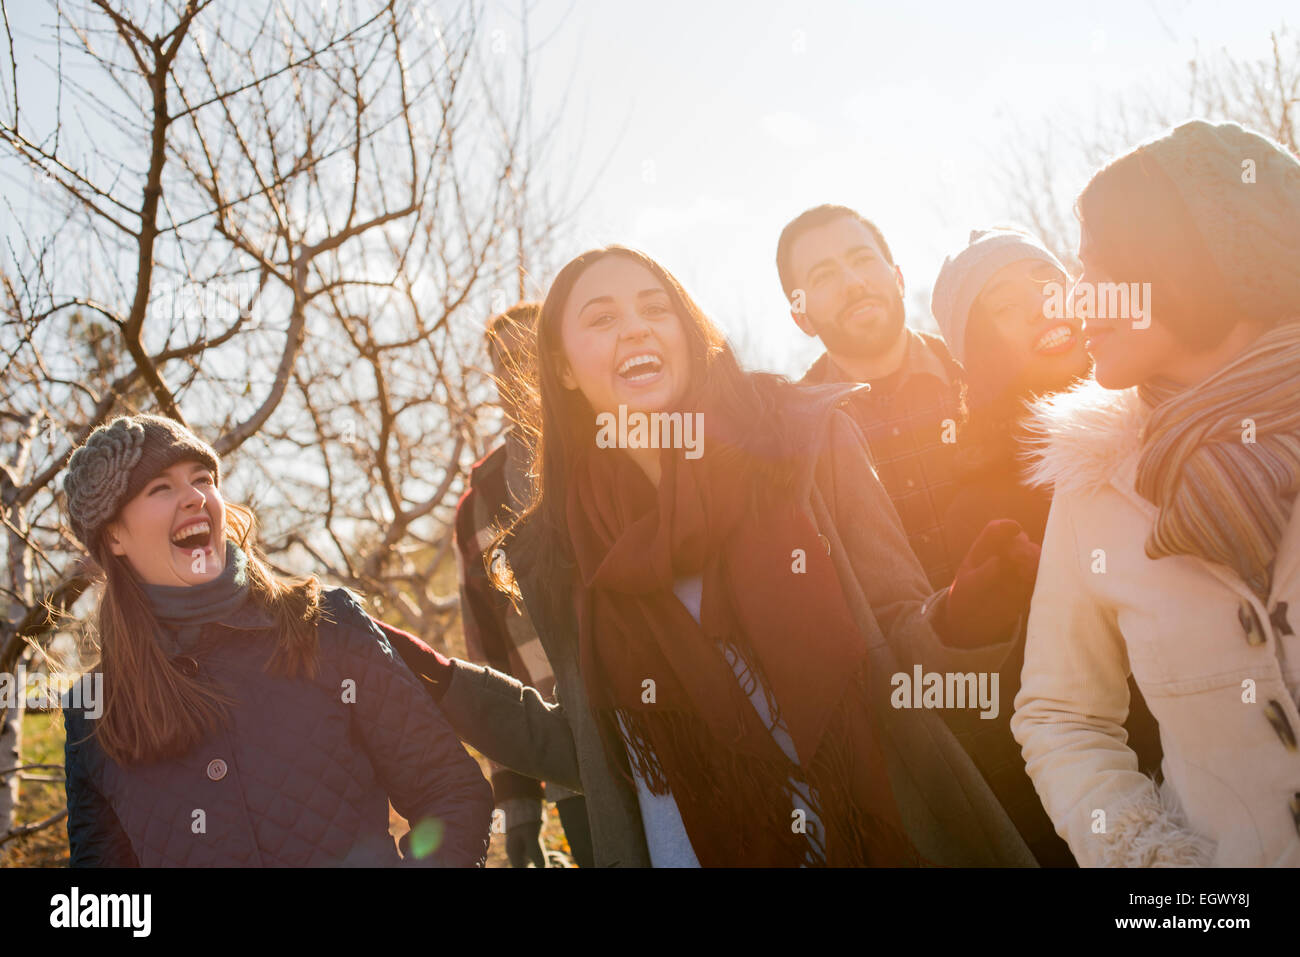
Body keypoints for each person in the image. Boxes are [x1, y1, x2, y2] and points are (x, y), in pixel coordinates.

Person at [377, 244, 1037, 867]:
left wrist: (962, 617)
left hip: (892, 836)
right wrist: (435, 679)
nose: (636, 328)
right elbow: (597, 753)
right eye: (602, 318)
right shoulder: (557, 551)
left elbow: (898, 647)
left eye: (655, 307)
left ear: (689, 334)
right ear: (565, 372)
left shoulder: (808, 441)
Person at [1011, 119, 1300, 867]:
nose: (1073, 305)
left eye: (1096, 270)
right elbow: (1060, 716)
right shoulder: (1092, 483)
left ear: (1185, 267)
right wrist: (1151, 865)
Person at [60, 414, 493, 867]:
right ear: (113, 536)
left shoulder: (325, 625)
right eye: (160, 488)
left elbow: (449, 791)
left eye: (203, 479)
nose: (194, 497)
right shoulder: (94, 713)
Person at [931, 226, 1166, 867]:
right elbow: (1039, 722)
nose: (1042, 307)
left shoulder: (1172, 405)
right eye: (1006, 305)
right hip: (1145, 805)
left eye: (1046, 283)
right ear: (976, 350)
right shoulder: (976, 506)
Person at [454, 300, 594, 867]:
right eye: (502, 361)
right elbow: (492, 658)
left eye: (530, 353)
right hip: (575, 761)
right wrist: (518, 810)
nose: (517, 372)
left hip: (682, 729)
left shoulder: (623, 441)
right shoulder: (481, 503)